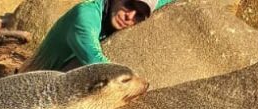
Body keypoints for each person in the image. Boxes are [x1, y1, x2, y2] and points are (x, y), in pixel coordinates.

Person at [22, 0, 176, 71]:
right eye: (129, 5)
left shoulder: (116, 13)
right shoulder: (85, 16)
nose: (130, 16)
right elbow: (97, 63)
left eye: (139, 15)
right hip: (31, 87)